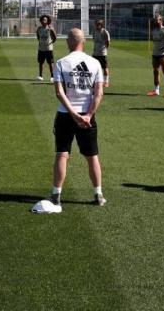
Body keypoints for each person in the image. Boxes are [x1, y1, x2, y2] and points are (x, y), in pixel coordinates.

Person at [49, 28, 107, 208]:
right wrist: (88, 115)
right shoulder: (95, 63)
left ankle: (56, 195)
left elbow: (59, 93)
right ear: (84, 41)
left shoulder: (61, 63)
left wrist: (73, 114)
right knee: (92, 156)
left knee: (62, 154)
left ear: (68, 42)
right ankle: (98, 194)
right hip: (87, 117)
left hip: (65, 115)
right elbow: (99, 93)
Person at [148, 14, 164, 98]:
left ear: (161, 21)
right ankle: (156, 90)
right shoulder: (154, 30)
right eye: (155, 20)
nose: (156, 21)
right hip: (155, 54)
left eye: (158, 20)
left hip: (163, 54)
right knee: (155, 72)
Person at [35, 15, 57, 82]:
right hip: (41, 48)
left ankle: (52, 76)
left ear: (47, 21)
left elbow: (55, 37)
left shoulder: (50, 28)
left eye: (45, 20)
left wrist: (51, 43)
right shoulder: (39, 29)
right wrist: (41, 42)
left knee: (50, 63)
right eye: (42, 20)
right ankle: (40, 76)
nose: (43, 21)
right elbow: (38, 37)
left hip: (48, 49)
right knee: (41, 63)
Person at [92, 18, 111, 88]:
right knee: (93, 68)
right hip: (95, 53)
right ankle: (95, 81)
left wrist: (105, 49)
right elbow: (94, 40)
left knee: (105, 67)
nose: (96, 25)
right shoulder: (94, 31)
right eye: (95, 24)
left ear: (101, 25)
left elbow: (108, 42)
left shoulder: (105, 32)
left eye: (97, 24)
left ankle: (106, 82)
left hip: (102, 53)